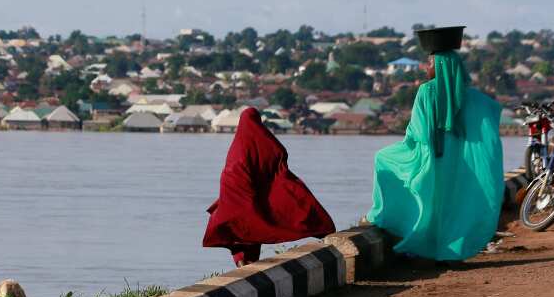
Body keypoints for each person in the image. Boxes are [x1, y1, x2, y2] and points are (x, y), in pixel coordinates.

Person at [367, 27, 503, 261]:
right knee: (454, 203)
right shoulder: (475, 98)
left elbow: (417, 133)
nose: (426, 68)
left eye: (429, 63)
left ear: (440, 66)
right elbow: (492, 115)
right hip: (463, 164)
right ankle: (449, 249)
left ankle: (411, 235)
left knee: (382, 158)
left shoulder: (427, 91)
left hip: (431, 156)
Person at [203, 107, 336, 266]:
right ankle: (320, 229)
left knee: (241, 228)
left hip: (235, 194)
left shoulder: (237, 146)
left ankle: (243, 261)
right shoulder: (265, 140)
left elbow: (233, 173)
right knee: (252, 225)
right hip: (253, 191)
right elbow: (279, 154)